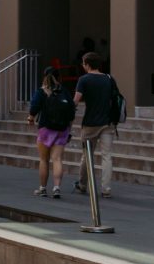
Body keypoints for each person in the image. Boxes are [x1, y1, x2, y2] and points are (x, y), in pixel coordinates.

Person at [29, 66, 74, 199]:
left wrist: (30, 118)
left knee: (44, 159)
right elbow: (71, 111)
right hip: (62, 130)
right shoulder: (64, 91)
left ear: (44, 77)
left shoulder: (42, 91)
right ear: (59, 77)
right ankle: (56, 188)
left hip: (45, 129)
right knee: (57, 159)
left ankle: (42, 189)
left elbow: (34, 107)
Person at [74, 51, 115, 198]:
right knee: (107, 156)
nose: (82, 66)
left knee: (87, 155)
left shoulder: (83, 80)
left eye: (83, 63)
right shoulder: (109, 79)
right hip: (108, 122)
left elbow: (76, 100)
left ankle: (83, 184)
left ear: (87, 64)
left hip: (90, 123)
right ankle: (106, 189)